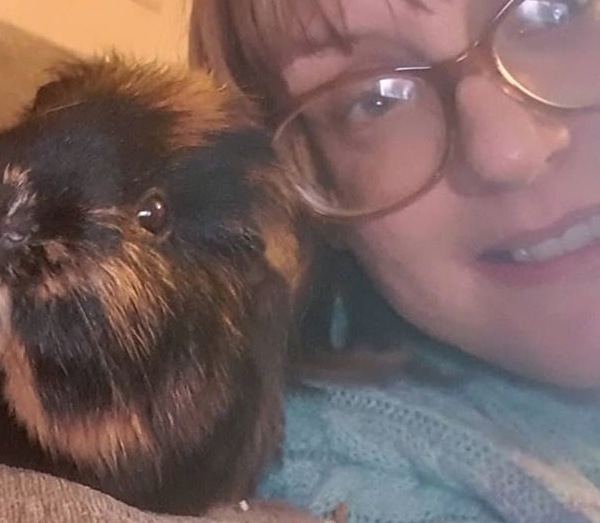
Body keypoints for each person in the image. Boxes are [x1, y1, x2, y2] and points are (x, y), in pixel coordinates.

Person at [189, 1, 600, 522]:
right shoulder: (345, 487)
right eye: (377, 99)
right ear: (305, 187)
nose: (506, 153)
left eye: (551, 12)